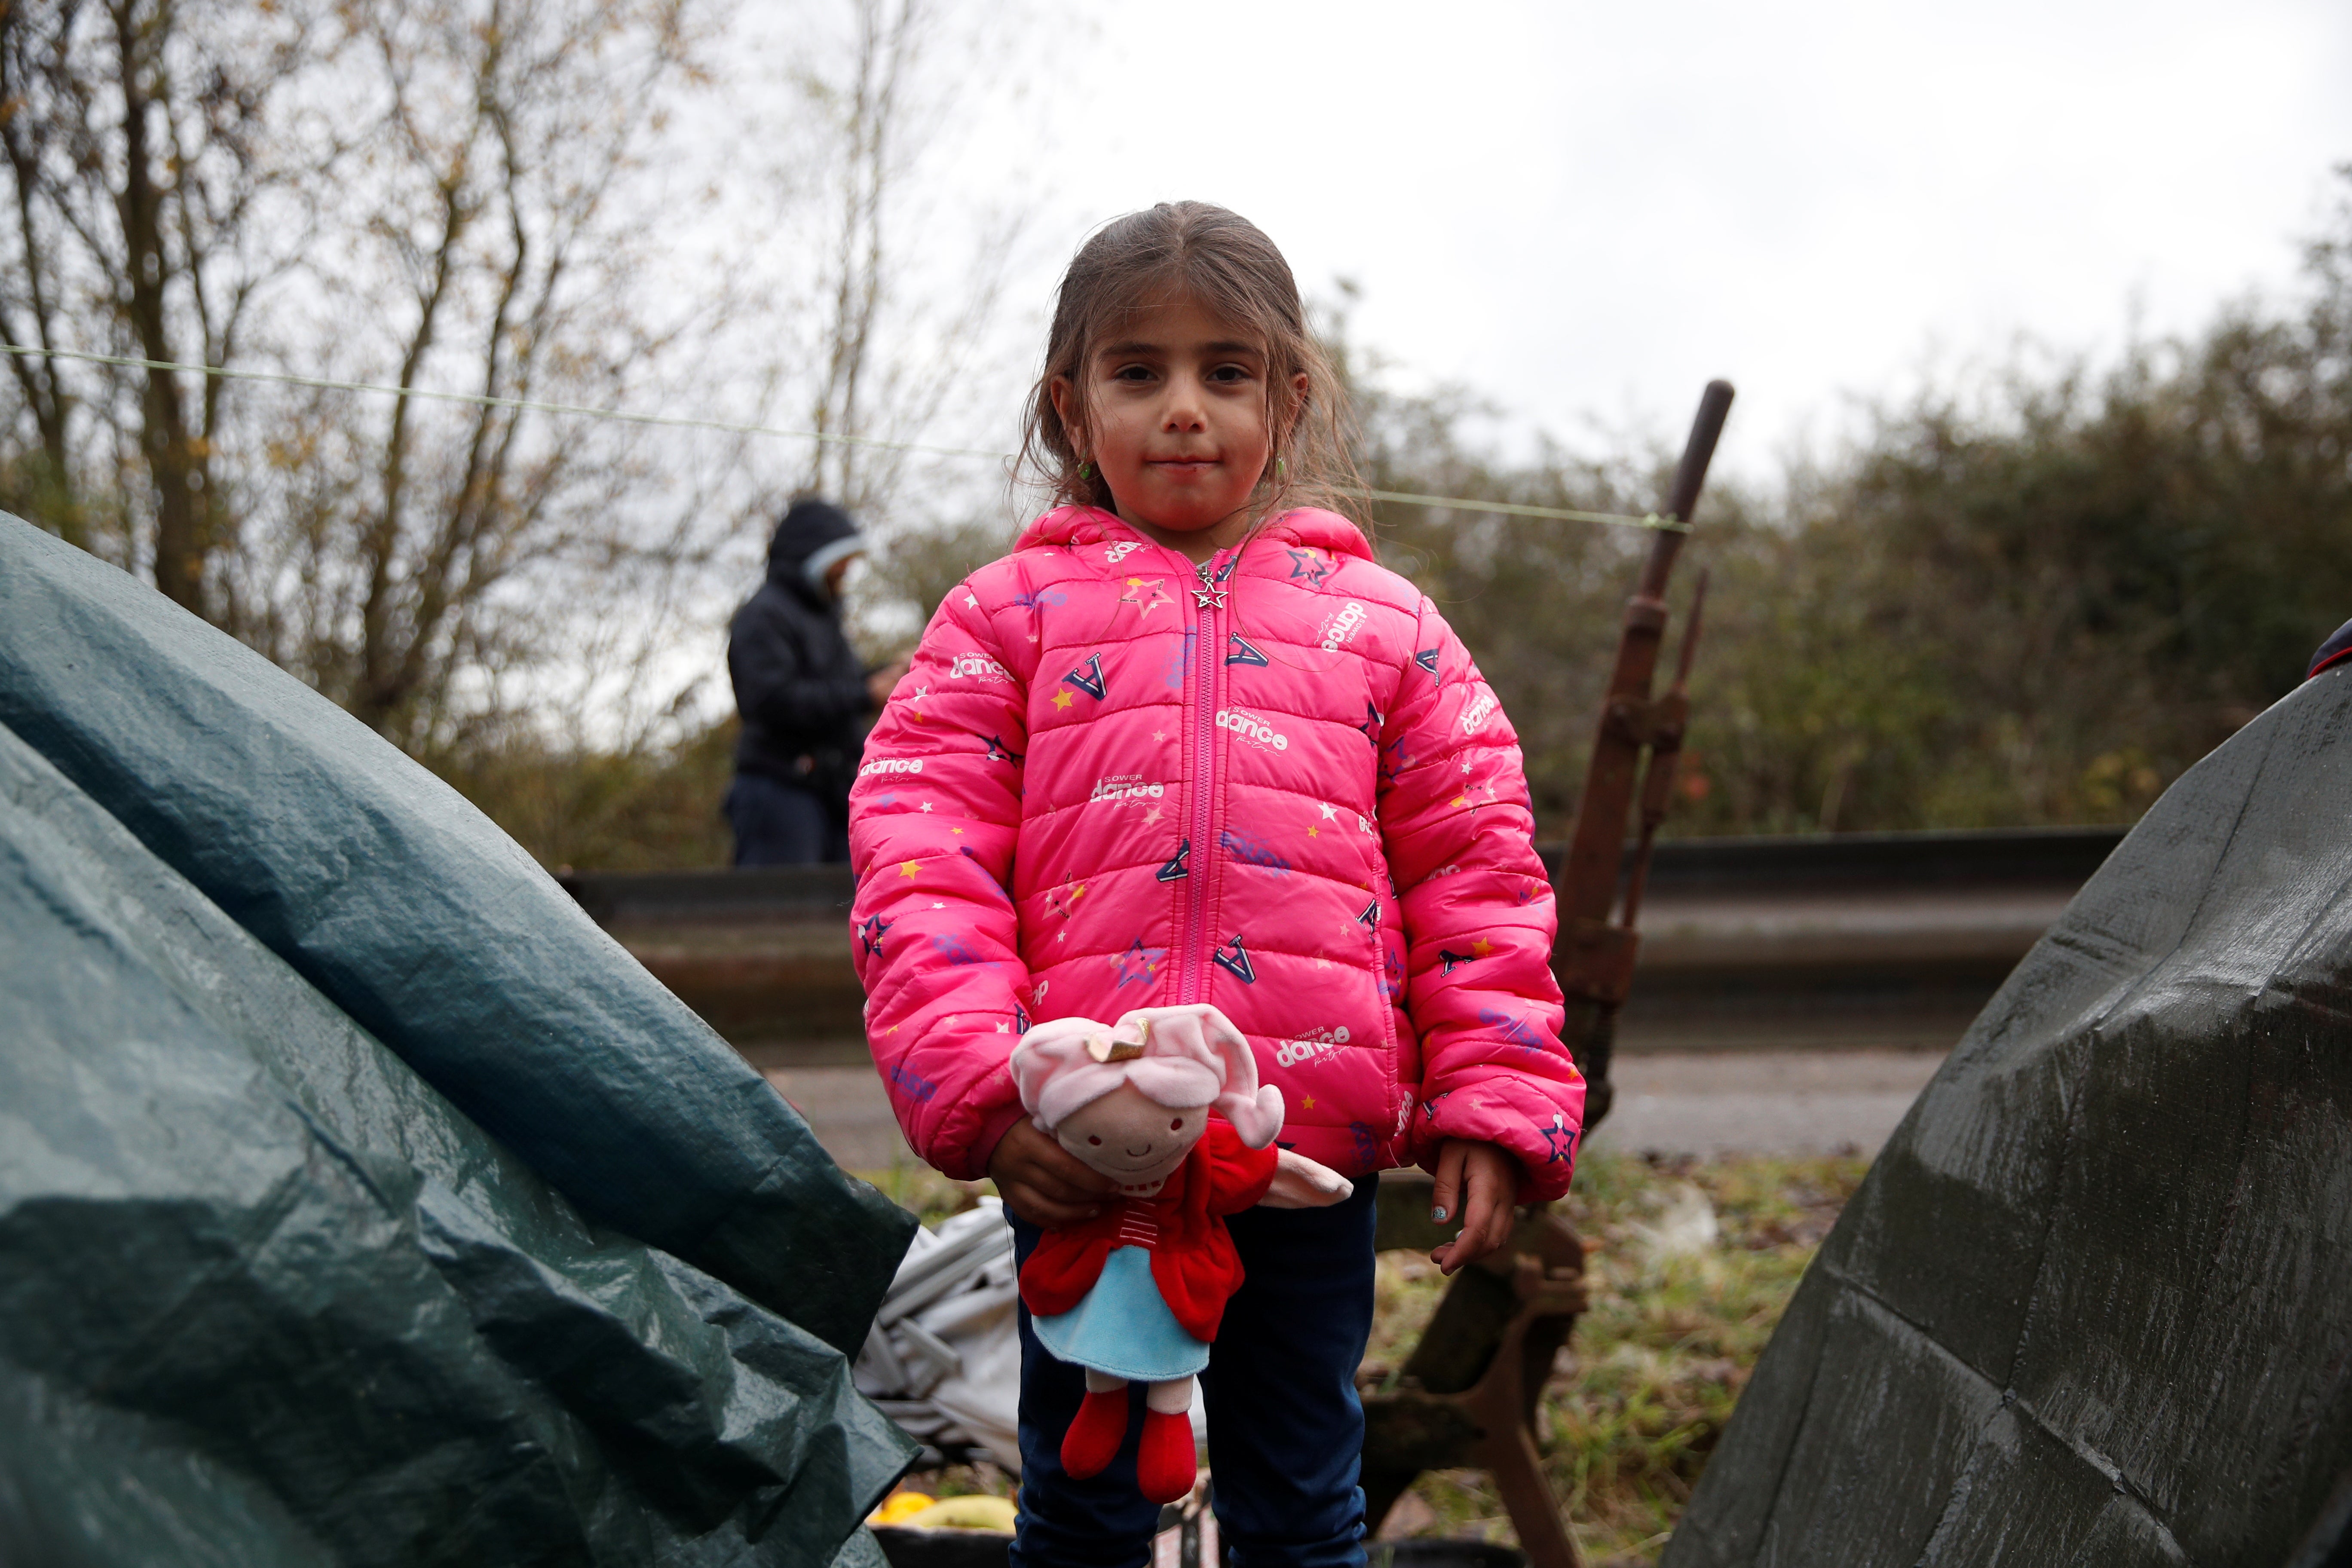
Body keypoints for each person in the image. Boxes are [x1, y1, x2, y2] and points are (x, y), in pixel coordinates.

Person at [846, 202, 1585, 1567]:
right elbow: (920, 862)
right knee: (1082, 1500)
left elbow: (1476, 866)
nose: (1184, 409)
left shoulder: (1387, 631)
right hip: (1084, 1149)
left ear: (1287, 397)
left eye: (1225, 371)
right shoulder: (1001, 622)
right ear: (1071, 406)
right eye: (1139, 372)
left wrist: (1493, 1092)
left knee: (1300, 1498)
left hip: (1304, 1154)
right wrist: (982, 1090)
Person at [726, 498, 905, 865]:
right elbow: (770, 700)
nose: (847, 569)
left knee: (834, 914)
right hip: (779, 791)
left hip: (832, 790)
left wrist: (896, 674)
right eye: (842, 558)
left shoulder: (823, 615)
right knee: (782, 915)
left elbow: (841, 683)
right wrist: (865, 693)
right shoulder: (764, 615)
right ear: (815, 555)